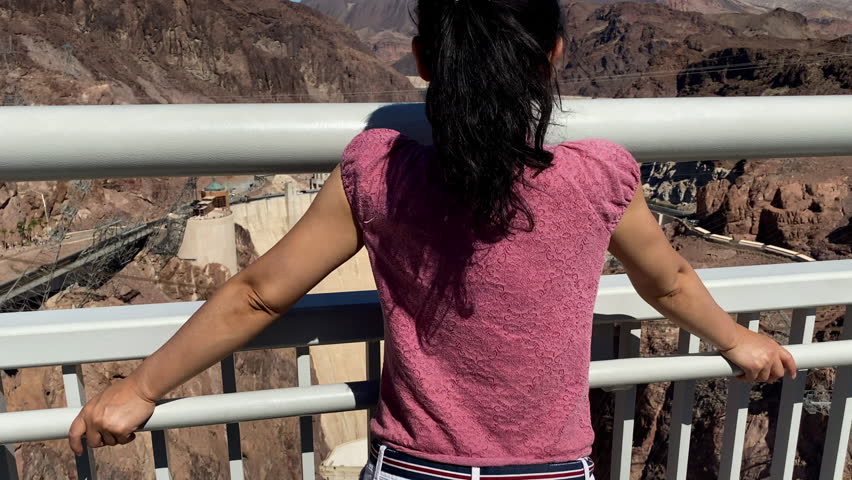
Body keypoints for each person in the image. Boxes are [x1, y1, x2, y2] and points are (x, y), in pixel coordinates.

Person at [68, 0, 798, 478]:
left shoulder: (376, 169)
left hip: (415, 467)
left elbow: (259, 295)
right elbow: (665, 279)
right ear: (553, 55)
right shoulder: (600, 175)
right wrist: (738, 340)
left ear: (423, 62)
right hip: (547, 468)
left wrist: (138, 390)